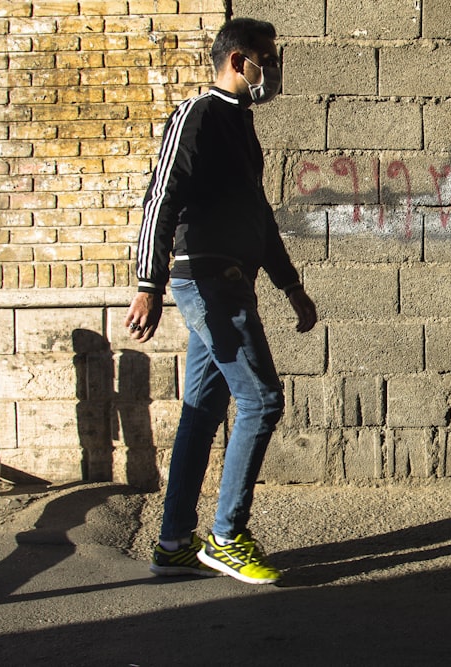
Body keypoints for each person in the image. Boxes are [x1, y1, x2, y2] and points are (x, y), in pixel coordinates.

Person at [124, 18, 317, 585]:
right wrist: (148, 284)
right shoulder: (199, 115)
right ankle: (227, 537)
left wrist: (291, 286)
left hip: (231, 281)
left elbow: (257, 217)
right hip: (207, 282)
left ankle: (174, 542)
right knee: (262, 400)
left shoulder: (241, 126)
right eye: (268, 58)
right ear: (239, 60)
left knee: (203, 409)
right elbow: (160, 198)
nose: (273, 70)